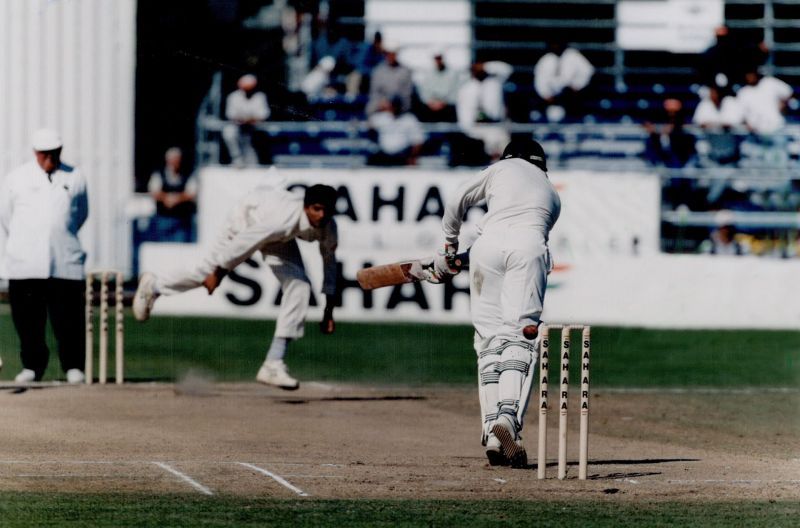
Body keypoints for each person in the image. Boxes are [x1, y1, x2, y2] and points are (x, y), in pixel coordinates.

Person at [429, 138, 561, 467]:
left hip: (485, 249)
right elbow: (523, 236)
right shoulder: (552, 193)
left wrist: (449, 248)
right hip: (528, 247)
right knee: (520, 335)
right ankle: (507, 419)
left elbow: (458, 199)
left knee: (488, 341)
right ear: (541, 165)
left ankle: (491, 431)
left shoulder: (498, 169)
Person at [133, 183, 339, 390]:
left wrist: (328, 311)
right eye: (316, 209)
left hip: (276, 237)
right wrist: (219, 272)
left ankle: (273, 363)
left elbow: (330, 265)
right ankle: (155, 286)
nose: (321, 216)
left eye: (326, 211)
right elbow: (246, 241)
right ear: (306, 207)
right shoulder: (281, 220)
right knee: (206, 273)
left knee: (300, 286)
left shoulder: (329, 227)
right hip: (247, 217)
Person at [0, 129, 89, 384]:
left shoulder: (75, 177)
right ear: (36, 153)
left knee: (69, 319)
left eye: (54, 153)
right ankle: (32, 366)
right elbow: (6, 217)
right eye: (45, 154)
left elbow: (81, 213)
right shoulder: (16, 178)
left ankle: (73, 366)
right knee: (28, 320)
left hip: (64, 261)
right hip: (25, 262)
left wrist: (57, 234)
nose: (50, 158)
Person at [453, 61, 513, 164]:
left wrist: (486, 66)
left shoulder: (494, 82)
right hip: (476, 126)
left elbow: (507, 70)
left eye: (480, 68)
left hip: (495, 124)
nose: (478, 70)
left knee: (503, 144)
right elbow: (462, 110)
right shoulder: (466, 88)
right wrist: (467, 127)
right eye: (476, 69)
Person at [533, 41, 595, 120]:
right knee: (552, 113)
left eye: (557, 44)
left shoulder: (573, 55)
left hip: (571, 93)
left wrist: (577, 86)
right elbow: (540, 80)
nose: (555, 46)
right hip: (551, 96)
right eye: (553, 44)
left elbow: (587, 71)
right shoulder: (546, 59)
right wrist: (546, 95)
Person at [147, 147, 198, 242]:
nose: (174, 162)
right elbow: (154, 192)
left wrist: (177, 199)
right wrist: (167, 198)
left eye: (177, 159)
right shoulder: (159, 174)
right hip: (162, 219)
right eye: (172, 159)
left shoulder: (188, 174)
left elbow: (191, 193)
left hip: (182, 221)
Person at [223, 74, 271, 166]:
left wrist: (249, 119)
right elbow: (230, 114)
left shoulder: (260, 96)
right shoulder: (233, 96)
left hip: (255, 128)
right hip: (239, 126)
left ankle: (256, 162)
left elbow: (263, 114)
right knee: (228, 132)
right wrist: (245, 119)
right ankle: (236, 158)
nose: (248, 91)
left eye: (250, 88)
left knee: (252, 146)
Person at [692, 85, 744, 166]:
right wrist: (719, 125)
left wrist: (712, 124)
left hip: (729, 154)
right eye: (713, 92)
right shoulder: (705, 103)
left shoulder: (731, 102)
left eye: (717, 92)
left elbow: (732, 123)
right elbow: (699, 123)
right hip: (711, 155)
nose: (715, 95)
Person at [367, 97, 427, 166]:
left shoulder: (409, 119)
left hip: (402, 156)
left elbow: (418, 141)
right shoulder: (381, 117)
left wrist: (412, 157)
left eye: (397, 106)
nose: (395, 108)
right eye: (393, 105)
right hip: (383, 155)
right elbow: (370, 125)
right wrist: (380, 109)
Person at [643, 98, 696, 168]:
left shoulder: (687, 135)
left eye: (675, 113)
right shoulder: (654, 135)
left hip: (678, 161)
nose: (672, 116)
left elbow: (687, 153)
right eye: (669, 112)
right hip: (659, 160)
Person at [365, 43, 414, 116]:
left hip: (398, 108)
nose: (390, 56)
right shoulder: (378, 71)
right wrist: (381, 103)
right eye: (388, 54)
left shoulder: (405, 71)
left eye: (393, 54)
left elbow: (406, 94)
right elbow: (374, 92)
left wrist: (393, 104)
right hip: (380, 106)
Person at [414, 51, 461, 123]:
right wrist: (431, 103)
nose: (438, 61)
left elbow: (455, 92)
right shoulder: (428, 73)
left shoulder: (453, 73)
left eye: (440, 58)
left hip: (447, 107)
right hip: (431, 107)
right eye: (436, 58)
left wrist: (443, 103)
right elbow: (424, 92)